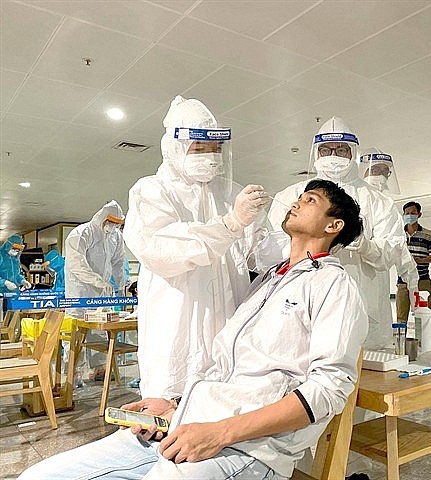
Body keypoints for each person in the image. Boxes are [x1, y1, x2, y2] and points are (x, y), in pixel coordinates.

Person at [19, 179, 368, 480]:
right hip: (188, 425)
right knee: (39, 475)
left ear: (333, 226)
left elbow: (330, 387)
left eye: (311, 201)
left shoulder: (333, 284)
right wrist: (175, 405)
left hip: (249, 449)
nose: (297, 202)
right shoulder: (266, 281)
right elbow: (229, 369)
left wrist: (219, 433)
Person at [123, 95, 268, 399]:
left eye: (215, 148)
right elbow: (160, 248)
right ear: (174, 148)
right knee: (171, 423)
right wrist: (229, 224)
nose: (210, 156)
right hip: (175, 327)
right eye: (199, 148)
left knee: (223, 411)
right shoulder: (151, 190)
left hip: (228, 325)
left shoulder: (232, 193)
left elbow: (258, 251)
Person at [268, 117, 404, 349]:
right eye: (326, 150)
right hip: (303, 304)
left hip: (363, 307)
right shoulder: (291, 196)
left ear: (353, 153)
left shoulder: (378, 201)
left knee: (362, 372)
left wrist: (364, 245)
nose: (334, 155)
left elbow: (392, 252)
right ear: (316, 153)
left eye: (341, 150)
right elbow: (271, 251)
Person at [65, 200, 127, 382]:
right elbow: (76, 263)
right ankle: (73, 374)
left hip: (102, 295)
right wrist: (97, 281)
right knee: (75, 333)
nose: (114, 226)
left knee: (99, 331)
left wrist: (123, 284)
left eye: (118, 223)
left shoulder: (115, 237)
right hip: (80, 292)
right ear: (102, 218)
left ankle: (100, 370)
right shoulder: (81, 233)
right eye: (111, 221)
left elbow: (118, 262)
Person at [358, 149, 418, 318]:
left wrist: (415, 294)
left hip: (377, 285)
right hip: (342, 284)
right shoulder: (342, 199)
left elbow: (401, 252)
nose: (381, 176)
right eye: (376, 170)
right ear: (362, 170)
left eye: (385, 172)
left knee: (374, 326)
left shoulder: (386, 206)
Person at [397, 201, 431, 322]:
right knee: (401, 316)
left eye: (413, 213)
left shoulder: (428, 234)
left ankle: (422, 340)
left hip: (422, 281)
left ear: (419, 214)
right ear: (403, 214)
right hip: (403, 281)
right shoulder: (399, 234)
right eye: (407, 213)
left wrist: (421, 260)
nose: (410, 215)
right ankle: (401, 340)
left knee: (423, 314)